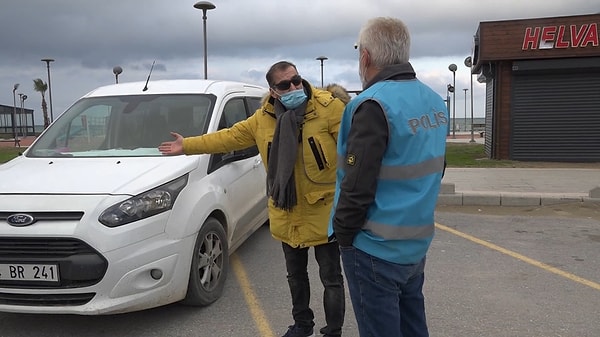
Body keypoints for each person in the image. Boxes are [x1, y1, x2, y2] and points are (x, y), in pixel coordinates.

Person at [159, 61, 348, 337]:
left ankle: (333, 330)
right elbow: (227, 138)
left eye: (296, 80)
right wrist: (186, 145)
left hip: (325, 210)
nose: (294, 87)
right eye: (285, 85)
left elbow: (352, 153)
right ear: (273, 91)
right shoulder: (262, 120)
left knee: (331, 278)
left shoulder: (329, 109)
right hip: (287, 210)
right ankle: (302, 324)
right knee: (295, 277)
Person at [329, 17, 448, 337]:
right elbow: (438, 168)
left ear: (365, 56)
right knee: (413, 326)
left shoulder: (371, 104)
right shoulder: (435, 101)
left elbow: (356, 186)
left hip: (374, 249)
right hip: (415, 243)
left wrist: (343, 234)